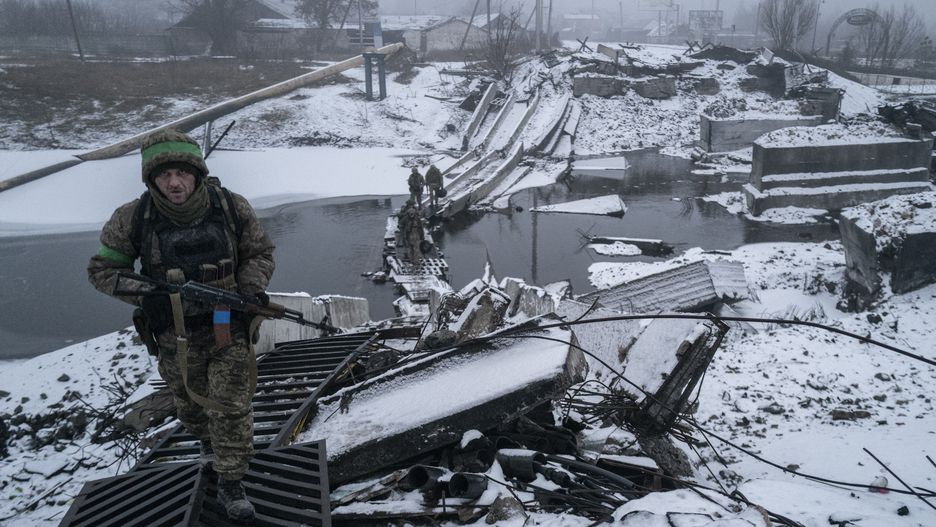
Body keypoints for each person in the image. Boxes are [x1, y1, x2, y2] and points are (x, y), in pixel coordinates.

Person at [87, 128, 274, 523]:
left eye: (182, 173)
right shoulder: (132, 218)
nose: (174, 182)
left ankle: (231, 481)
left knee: (230, 406)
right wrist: (153, 293)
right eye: (163, 175)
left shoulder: (231, 207)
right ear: (151, 179)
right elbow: (104, 270)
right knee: (190, 407)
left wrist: (251, 286)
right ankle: (209, 445)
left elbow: (259, 252)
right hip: (175, 334)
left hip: (226, 324)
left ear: (197, 173)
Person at [397, 199, 425, 265]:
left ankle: (415, 261)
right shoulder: (405, 217)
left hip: (415, 234)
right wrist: (403, 230)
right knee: (410, 247)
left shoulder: (417, 219)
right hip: (408, 234)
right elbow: (400, 223)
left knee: (416, 248)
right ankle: (411, 258)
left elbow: (420, 228)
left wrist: (422, 236)